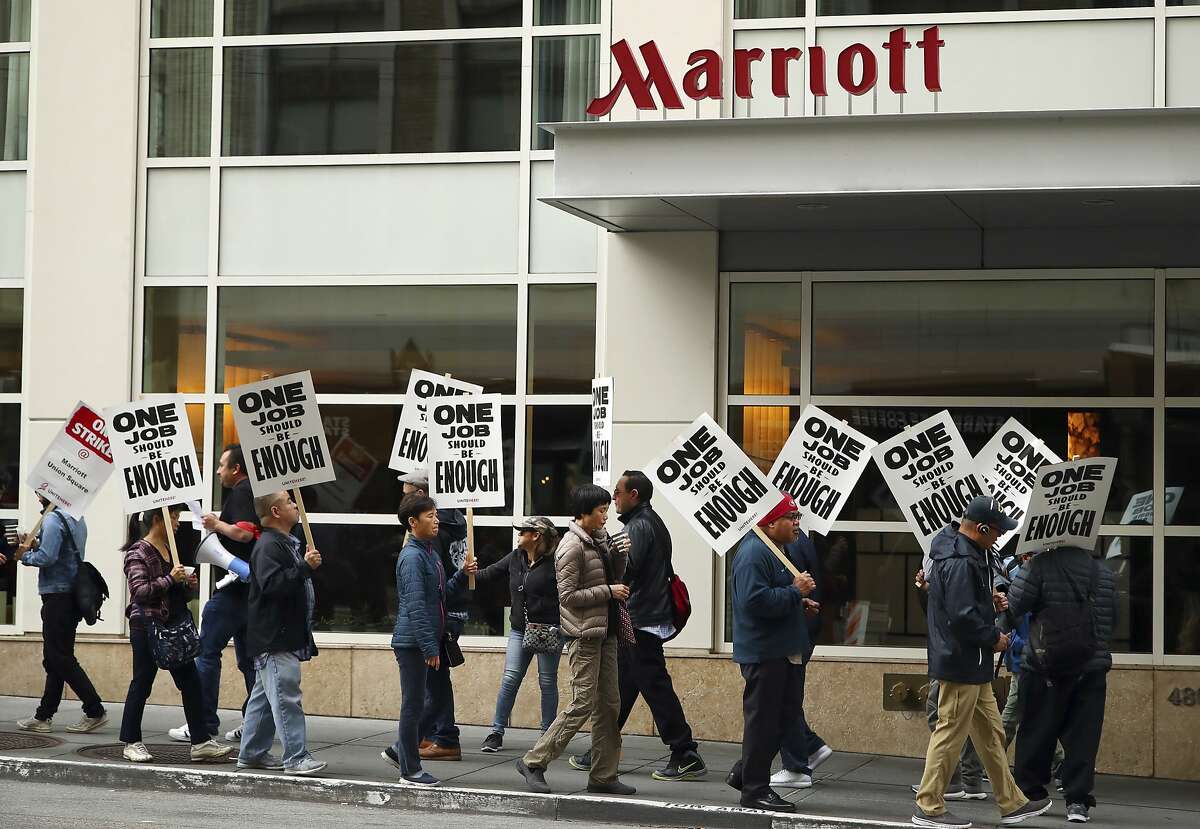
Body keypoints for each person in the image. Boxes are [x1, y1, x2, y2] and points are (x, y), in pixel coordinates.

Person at [912, 496, 1051, 828]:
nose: (1000, 536)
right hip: (962, 660)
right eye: (998, 530)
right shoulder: (963, 560)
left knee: (990, 732)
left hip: (966, 660)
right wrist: (994, 638)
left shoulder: (963, 552)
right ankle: (928, 805)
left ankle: (1012, 801)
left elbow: (955, 602)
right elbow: (962, 617)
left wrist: (986, 600)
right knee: (950, 732)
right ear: (981, 528)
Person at [570, 470, 705, 781]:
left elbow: (625, 571)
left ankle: (685, 752)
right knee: (622, 686)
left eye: (617, 493)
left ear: (634, 495)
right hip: (640, 617)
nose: (613, 499)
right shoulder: (646, 523)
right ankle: (601, 749)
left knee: (654, 686)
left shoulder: (640, 527)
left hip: (641, 619)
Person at [516, 484, 634, 796]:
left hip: (605, 631)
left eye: (607, 509)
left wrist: (621, 555)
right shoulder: (571, 547)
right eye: (600, 510)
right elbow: (567, 597)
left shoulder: (601, 538)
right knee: (582, 703)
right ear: (583, 514)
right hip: (583, 634)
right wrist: (609, 592)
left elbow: (614, 578)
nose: (606, 515)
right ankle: (534, 761)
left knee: (610, 705)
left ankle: (604, 775)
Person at [1008, 544, 1117, 825]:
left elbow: (1016, 605)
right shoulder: (1101, 572)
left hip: (1046, 665)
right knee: (1084, 735)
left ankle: (1031, 792)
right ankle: (1078, 801)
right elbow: (1111, 620)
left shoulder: (1039, 565)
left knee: (1036, 728)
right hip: (1091, 666)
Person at [724, 495, 816, 813]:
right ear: (770, 522)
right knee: (764, 722)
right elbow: (754, 602)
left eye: (797, 516)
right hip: (765, 653)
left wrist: (797, 601)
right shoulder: (754, 553)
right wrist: (795, 592)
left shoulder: (776, 550)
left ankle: (745, 774)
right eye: (791, 517)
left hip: (783, 649)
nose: (797, 523)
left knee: (783, 719)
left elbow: (770, 594)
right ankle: (755, 790)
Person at [120, 506, 230, 763]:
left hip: (171, 627)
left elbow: (173, 593)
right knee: (142, 682)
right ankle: (131, 741)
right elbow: (139, 592)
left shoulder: (169, 549)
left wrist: (186, 585)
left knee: (191, 683)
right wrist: (171, 578)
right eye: (174, 517)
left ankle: (201, 741)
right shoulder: (139, 551)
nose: (178, 522)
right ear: (157, 519)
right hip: (147, 627)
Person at [384, 494, 476, 786]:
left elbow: (438, 595)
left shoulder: (429, 553)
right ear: (413, 522)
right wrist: (428, 646)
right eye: (430, 516)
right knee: (414, 705)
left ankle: (402, 749)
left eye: (436, 515)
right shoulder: (411, 556)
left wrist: (462, 575)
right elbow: (415, 605)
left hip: (427, 640)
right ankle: (409, 770)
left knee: (435, 704)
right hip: (413, 644)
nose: (436, 521)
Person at [170, 445, 259, 745]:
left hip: (234, 590)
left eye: (222, 465)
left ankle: (203, 723)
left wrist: (215, 524)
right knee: (249, 661)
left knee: (206, 653)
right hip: (249, 592)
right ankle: (254, 723)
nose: (219, 470)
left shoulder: (243, 492)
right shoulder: (250, 491)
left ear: (236, 469)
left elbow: (245, 533)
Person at [237, 490, 326, 775]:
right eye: (289, 501)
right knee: (286, 698)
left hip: (278, 635)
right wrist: (304, 567)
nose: (295, 505)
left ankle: (252, 753)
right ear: (276, 512)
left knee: (263, 698)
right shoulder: (269, 547)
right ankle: (296, 758)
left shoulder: (282, 543)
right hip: (275, 637)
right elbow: (271, 586)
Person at [6, 496, 106, 734]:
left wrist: (24, 556)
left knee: (60, 658)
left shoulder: (52, 519)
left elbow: (47, 558)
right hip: (70, 596)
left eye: (40, 491)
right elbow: (62, 549)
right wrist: (36, 543)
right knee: (54, 659)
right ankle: (44, 715)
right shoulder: (76, 516)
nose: (37, 496)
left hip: (57, 596)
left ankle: (94, 709)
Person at [475, 516, 562, 753]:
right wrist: (467, 573)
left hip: (548, 630)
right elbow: (489, 573)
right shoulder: (516, 557)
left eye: (523, 531)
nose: (518, 534)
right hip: (519, 629)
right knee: (510, 678)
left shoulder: (556, 561)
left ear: (536, 536)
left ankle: (547, 735)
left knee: (547, 682)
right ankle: (496, 732)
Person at [399, 469, 467, 761]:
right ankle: (429, 738)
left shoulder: (423, 547)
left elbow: (419, 601)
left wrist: (428, 645)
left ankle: (437, 739)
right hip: (444, 612)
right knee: (429, 689)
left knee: (426, 692)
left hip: (438, 618)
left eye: (408, 494)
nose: (403, 499)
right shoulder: (453, 524)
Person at [911, 567, 987, 802]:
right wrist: (926, 589)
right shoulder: (975, 558)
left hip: (951, 653)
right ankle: (971, 780)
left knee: (941, 716)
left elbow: (954, 610)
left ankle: (950, 781)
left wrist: (928, 590)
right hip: (969, 655)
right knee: (975, 720)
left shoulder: (957, 557)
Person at [771, 524, 832, 790]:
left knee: (784, 698)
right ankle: (808, 748)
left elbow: (791, 587)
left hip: (796, 631)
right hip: (802, 628)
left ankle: (798, 762)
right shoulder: (799, 540)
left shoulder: (791, 543)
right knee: (786, 697)